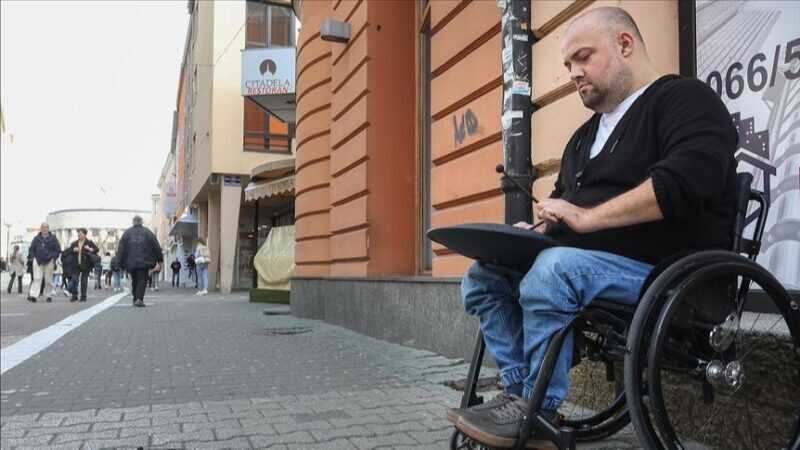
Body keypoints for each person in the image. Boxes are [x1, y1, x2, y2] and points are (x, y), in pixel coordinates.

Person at [447, 7, 739, 446]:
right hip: (588, 268)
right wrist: (538, 232)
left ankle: (536, 409)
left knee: (554, 269)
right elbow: (567, 214)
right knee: (483, 276)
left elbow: (688, 180)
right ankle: (521, 396)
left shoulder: (684, 99)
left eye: (583, 57)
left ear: (625, 44)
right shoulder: (582, 139)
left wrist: (584, 218)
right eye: (568, 64)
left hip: (665, 274)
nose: (573, 73)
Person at [117, 215, 163, 307]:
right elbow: (156, 246)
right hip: (145, 261)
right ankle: (139, 298)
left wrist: (120, 264)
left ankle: (135, 298)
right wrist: (160, 260)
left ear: (133, 222)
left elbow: (121, 249)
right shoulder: (148, 232)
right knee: (142, 280)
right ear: (142, 222)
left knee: (134, 280)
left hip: (130, 261)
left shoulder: (127, 233)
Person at [27, 223, 61, 303]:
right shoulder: (36, 238)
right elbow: (31, 249)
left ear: (48, 229)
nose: (45, 229)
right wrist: (33, 258)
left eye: (46, 227)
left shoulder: (53, 238)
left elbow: (58, 250)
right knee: (37, 278)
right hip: (38, 261)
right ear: (41, 229)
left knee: (48, 280)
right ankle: (33, 295)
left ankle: (48, 295)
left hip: (49, 261)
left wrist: (53, 258)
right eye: (43, 227)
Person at [67, 228, 99, 302]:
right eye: (78, 234)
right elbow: (68, 251)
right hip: (76, 264)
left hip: (86, 264)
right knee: (75, 280)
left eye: (80, 234)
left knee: (84, 281)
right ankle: (74, 295)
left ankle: (83, 296)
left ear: (84, 234)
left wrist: (89, 249)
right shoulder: (74, 243)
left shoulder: (89, 242)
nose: (79, 235)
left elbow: (97, 250)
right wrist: (73, 250)